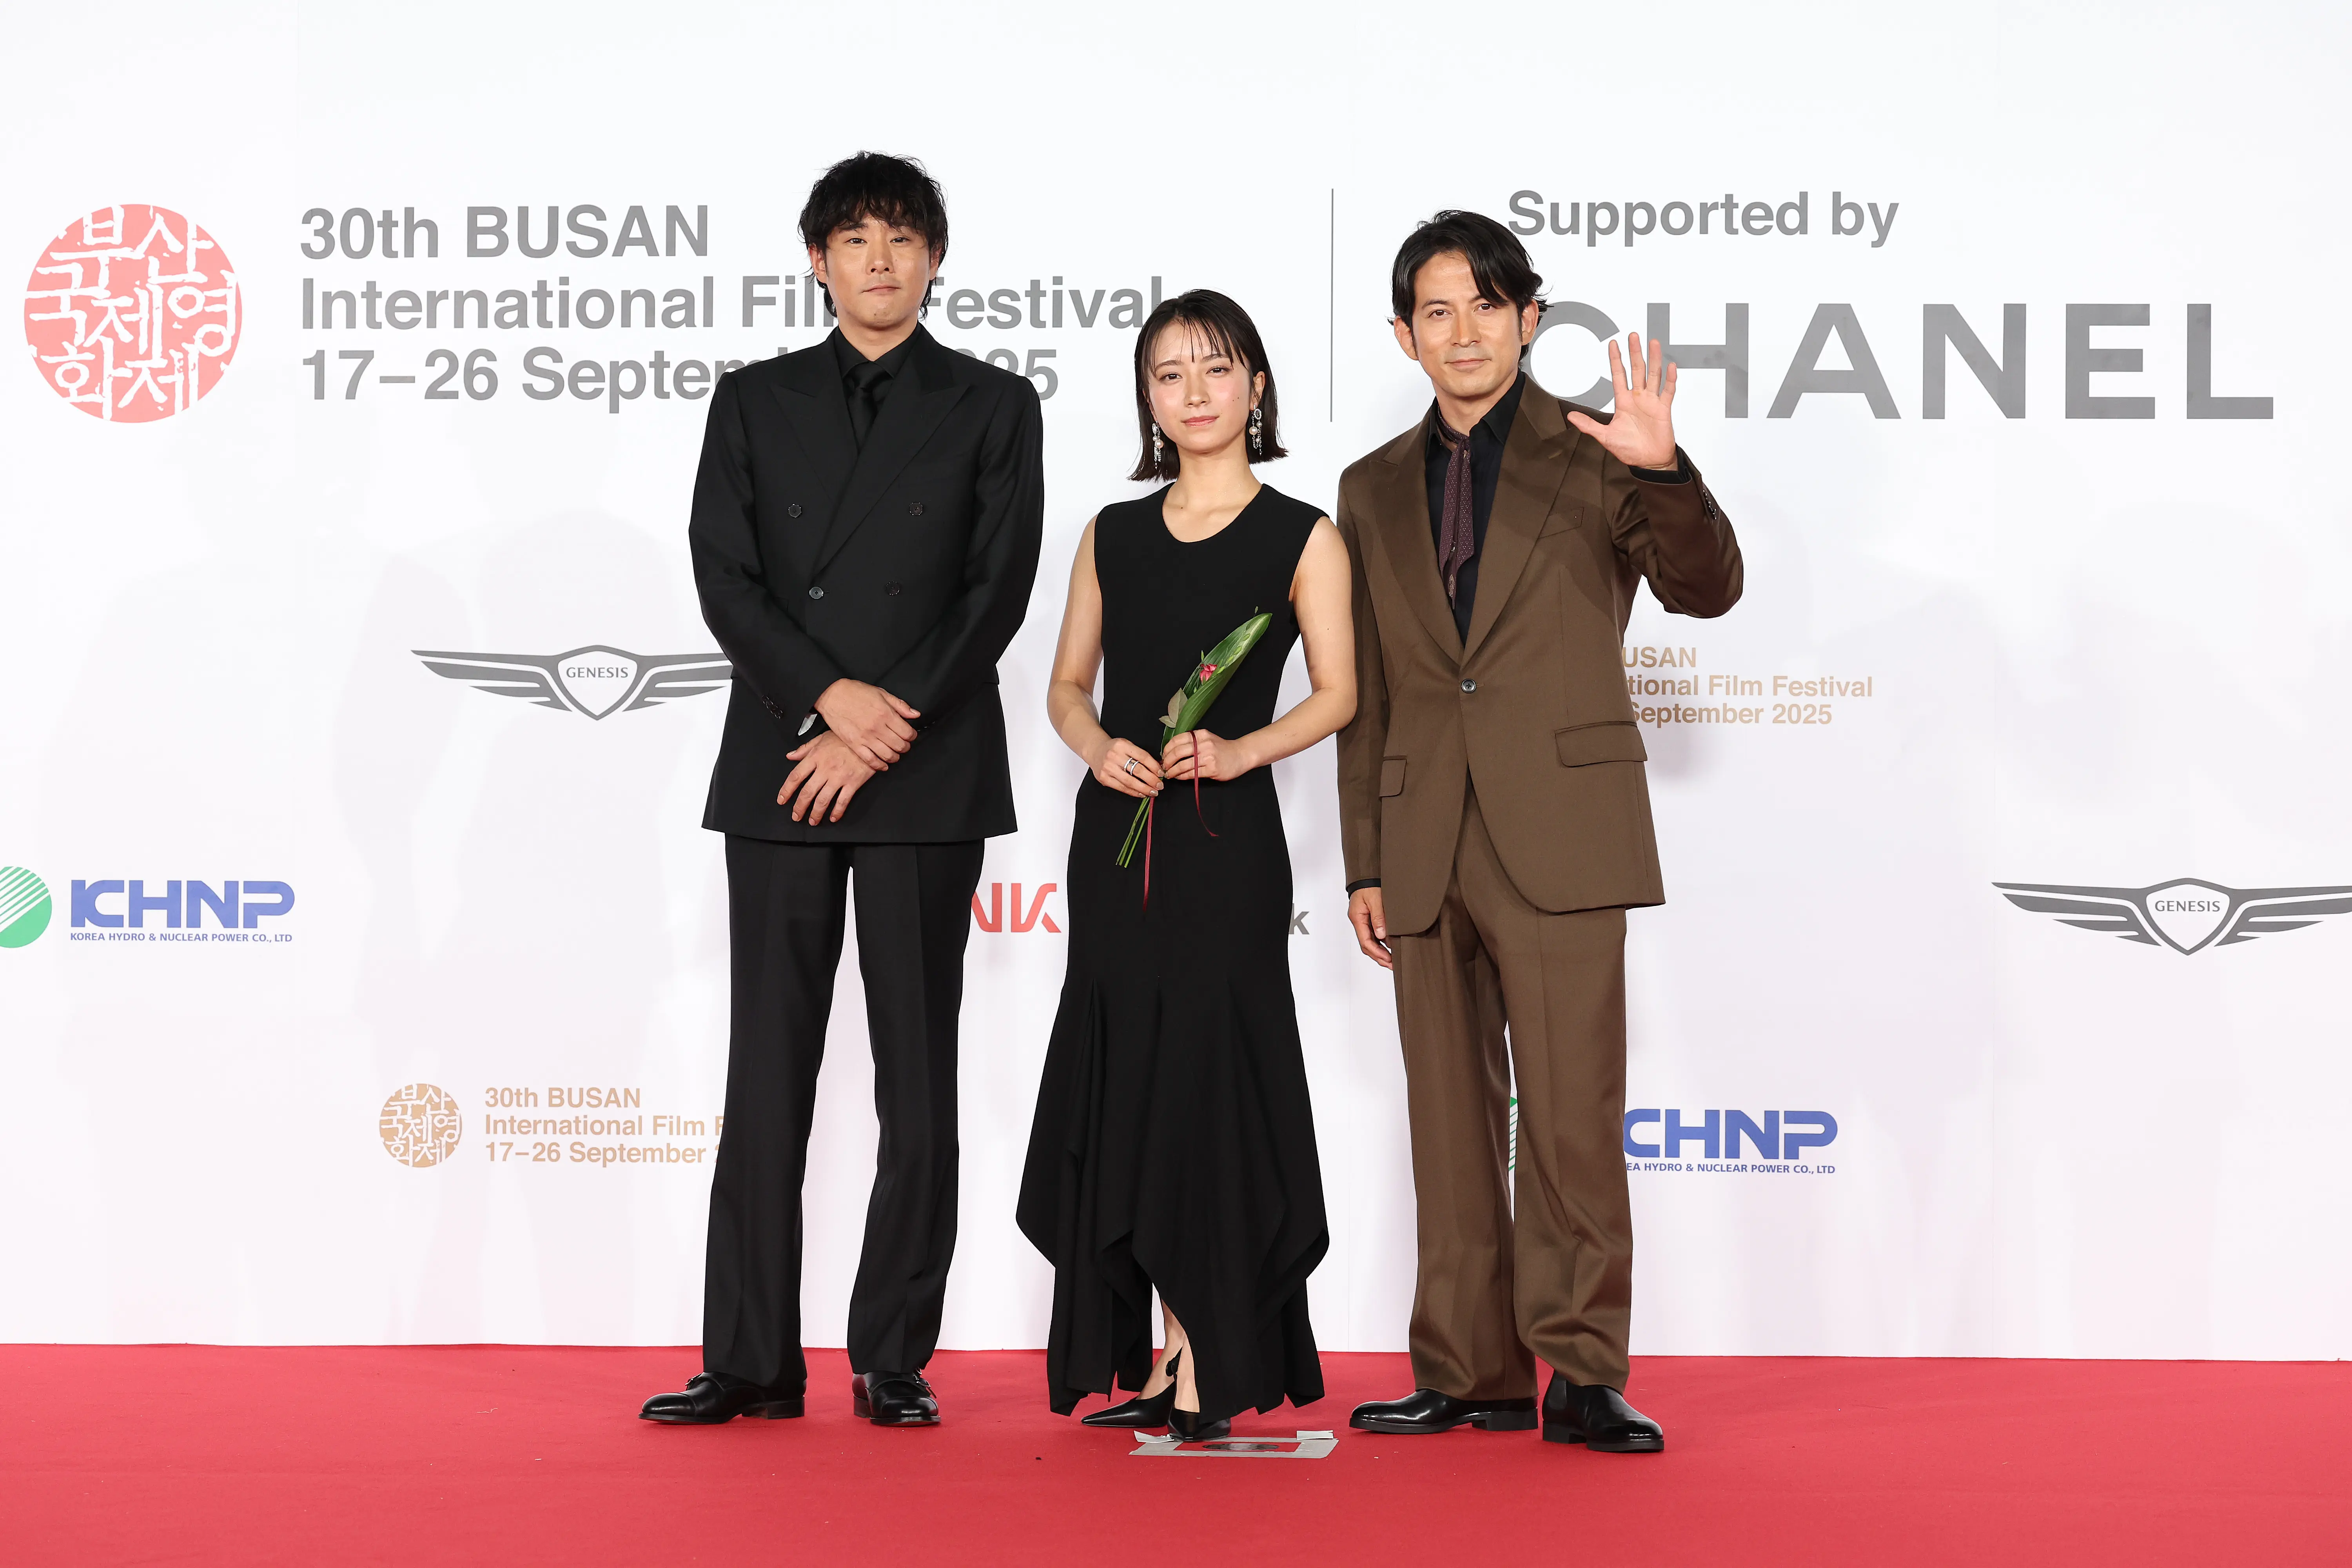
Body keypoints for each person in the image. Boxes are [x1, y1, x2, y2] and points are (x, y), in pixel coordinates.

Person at [643, 152, 1044, 1428]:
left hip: (921, 769)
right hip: (782, 768)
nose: (880, 258)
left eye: (904, 237)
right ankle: (751, 1357)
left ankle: (893, 1354)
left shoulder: (992, 405)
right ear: (817, 260)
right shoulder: (753, 401)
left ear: (937, 260)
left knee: (918, 1075)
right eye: (855, 238)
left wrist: (876, 725)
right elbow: (725, 579)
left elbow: (995, 593)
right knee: (768, 1069)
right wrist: (826, 701)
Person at [1336, 211, 1742, 1453]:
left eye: (1488, 305)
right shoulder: (1367, 488)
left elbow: (1706, 587)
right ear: (1405, 336)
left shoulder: (1601, 452)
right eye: (1438, 312)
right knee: (1448, 1118)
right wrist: (1363, 855)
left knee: (1570, 1115)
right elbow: (1375, 694)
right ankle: (1466, 1368)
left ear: (1529, 316)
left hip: (1560, 823)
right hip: (1421, 833)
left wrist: (1666, 469)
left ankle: (1581, 1368)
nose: (1465, 332)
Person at [1017, 290, 1354, 1441]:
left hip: (1227, 852)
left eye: (1218, 369)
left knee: (1214, 1093)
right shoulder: (1110, 533)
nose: (1196, 392)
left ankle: (1216, 1357)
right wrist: (1101, 746)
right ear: (1149, 401)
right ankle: (1166, 1359)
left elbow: (1345, 692)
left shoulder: (1305, 535)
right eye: (1170, 375)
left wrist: (1239, 748)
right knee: (1139, 1093)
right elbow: (1064, 687)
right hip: (1119, 852)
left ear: (1258, 386)